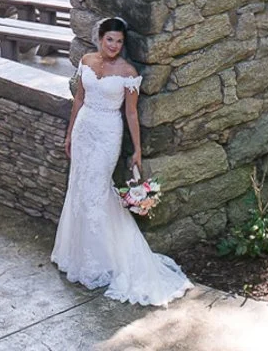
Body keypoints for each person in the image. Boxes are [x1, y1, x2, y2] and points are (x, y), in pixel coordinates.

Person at [51, 17, 192, 306]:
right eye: (109, 40)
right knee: (78, 188)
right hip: (83, 130)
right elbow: (78, 99)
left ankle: (101, 262)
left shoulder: (128, 73)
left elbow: (130, 113)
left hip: (107, 134)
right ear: (99, 39)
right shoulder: (87, 61)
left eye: (119, 41)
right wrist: (69, 134)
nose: (114, 46)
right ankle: (75, 255)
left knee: (96, 190)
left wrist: (137, 150)